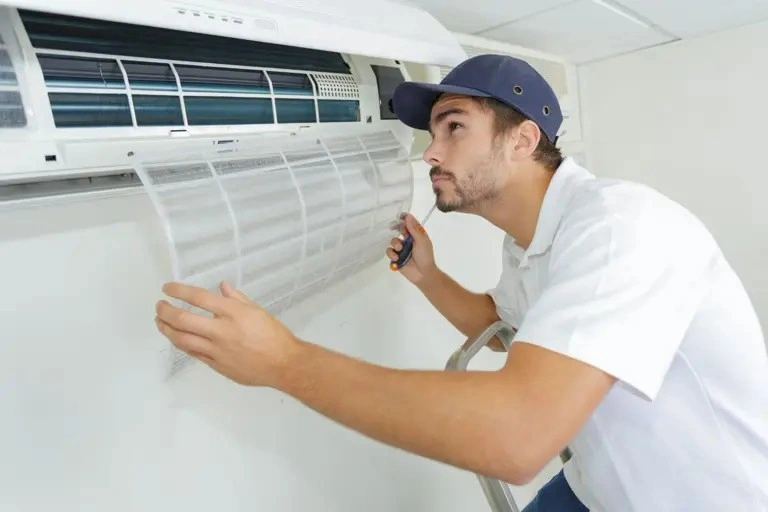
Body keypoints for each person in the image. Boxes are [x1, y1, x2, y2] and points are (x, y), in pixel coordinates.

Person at [154, 54, 768, 511]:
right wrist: (427, 275)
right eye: (431, 133)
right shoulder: (526, 240)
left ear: (524, 139)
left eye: (453, 127)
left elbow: (519, 435)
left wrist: (285, 362)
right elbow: (509, 333)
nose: (430, 152)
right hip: (598, 486)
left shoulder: (619, 227)